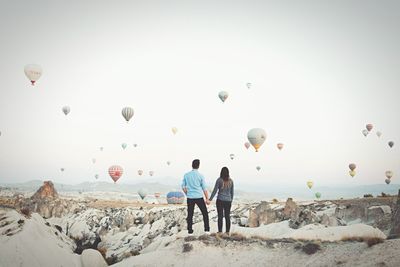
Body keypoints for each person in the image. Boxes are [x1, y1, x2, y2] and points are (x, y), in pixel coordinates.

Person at [182, 159, 210, 234]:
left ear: (192, 165)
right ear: (198, 166)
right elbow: (204, 188)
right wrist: (207, 198)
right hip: (199, 196)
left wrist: (187, 194)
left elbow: (183, 187)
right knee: (205, 213)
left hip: (190, 197)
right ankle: (207, 230)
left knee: (190, 214)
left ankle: (190, 231)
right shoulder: (201, 175)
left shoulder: (186, 175)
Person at [209, 167, 234, 234]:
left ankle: (220, 232)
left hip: (220, 200)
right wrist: (230, 200)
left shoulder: (219, 180)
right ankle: (227, 232)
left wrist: (210, 199)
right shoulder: (231, 181)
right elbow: (232, 192)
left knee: (220, 216)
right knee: (227, 216)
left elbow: (215, 190)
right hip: (228, 201)